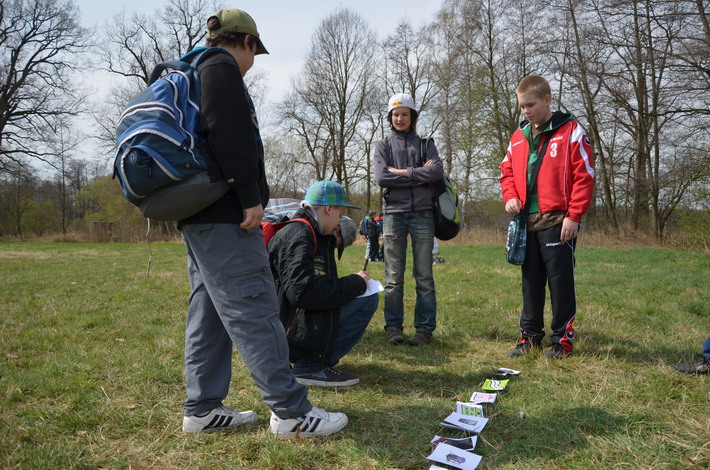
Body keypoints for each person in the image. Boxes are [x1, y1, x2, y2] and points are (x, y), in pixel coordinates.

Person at [177, 8, 347, 438]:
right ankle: (292, 413)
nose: (252, 63)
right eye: (255, 53)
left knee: (208, 312)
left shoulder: (192, 68)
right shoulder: (220, 66)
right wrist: (250, 197)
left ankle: (203, 409)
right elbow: (228, 132)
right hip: (225, 213)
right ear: (247, 42)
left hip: (197, 212)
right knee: (255, 305)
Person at [500, 75, 595, 359]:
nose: (525, 111)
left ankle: (562, 341)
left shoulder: (572, 131)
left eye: (530, 105)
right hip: (526, 223)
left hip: (558, 221)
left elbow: (585, 175)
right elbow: (506, 172)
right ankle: (529, 338)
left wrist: (574, 216)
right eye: (521, 106)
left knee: (560, 283)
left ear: (547, 100)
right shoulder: (519, 136)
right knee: (530, 283)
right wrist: (510, 196)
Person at [269, 181, 380, 386]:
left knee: (366, 297)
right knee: (367, 300)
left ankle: (310, 361)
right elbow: (302, 293)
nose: (339, 220)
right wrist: (355, 283)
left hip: (291, 325)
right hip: (287, 330)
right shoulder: (300, 234)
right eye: (340, 213)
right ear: (329, 209)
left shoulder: (312, 232)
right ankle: (310, 366)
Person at [374, 93, 444, 346]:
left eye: (404, 114)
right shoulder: (383, 146)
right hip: (393, 215)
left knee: (424, 276)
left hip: (423, 214)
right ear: (390, 117)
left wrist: (403, 172)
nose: (400, 118)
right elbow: (382, 177)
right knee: (393, 277)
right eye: (395, 114)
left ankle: (424, 330)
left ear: (412, 117)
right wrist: (419, 175)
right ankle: (393, 328)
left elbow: (437, 171)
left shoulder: (426, 144)